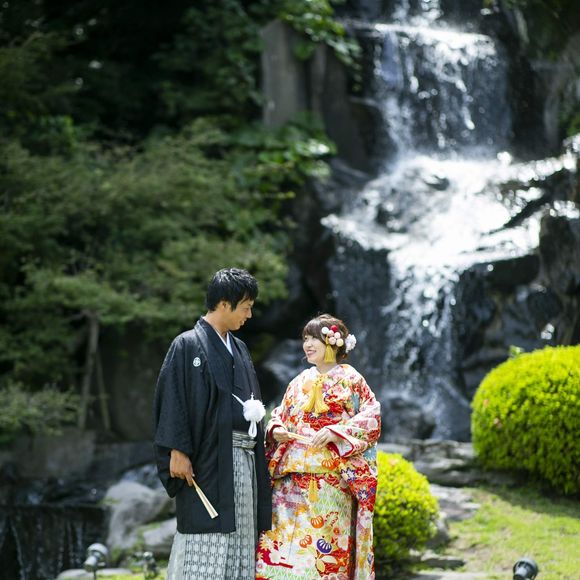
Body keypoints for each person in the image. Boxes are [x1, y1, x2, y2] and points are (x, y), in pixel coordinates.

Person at [153, 268, 272, 579]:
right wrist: (177, 450)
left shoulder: (240, 348)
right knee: (205, 535)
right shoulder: (187, 344)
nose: (249, 315)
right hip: (207, 460)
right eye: (245, 307)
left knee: (241, 536)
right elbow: (173, 398)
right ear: (223, 303)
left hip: (244, 460)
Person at [256, 314, 381, 580]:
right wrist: (276, 429)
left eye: (314, 338)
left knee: (324, 558)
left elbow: (371, 419)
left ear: (333, 343)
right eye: (305, 338)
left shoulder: (352, 379)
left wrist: (337, 432)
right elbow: (280, 414)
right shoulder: (298, 381)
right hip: (290, 483)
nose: (308, 344)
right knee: (281, 553)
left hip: (331, 483)